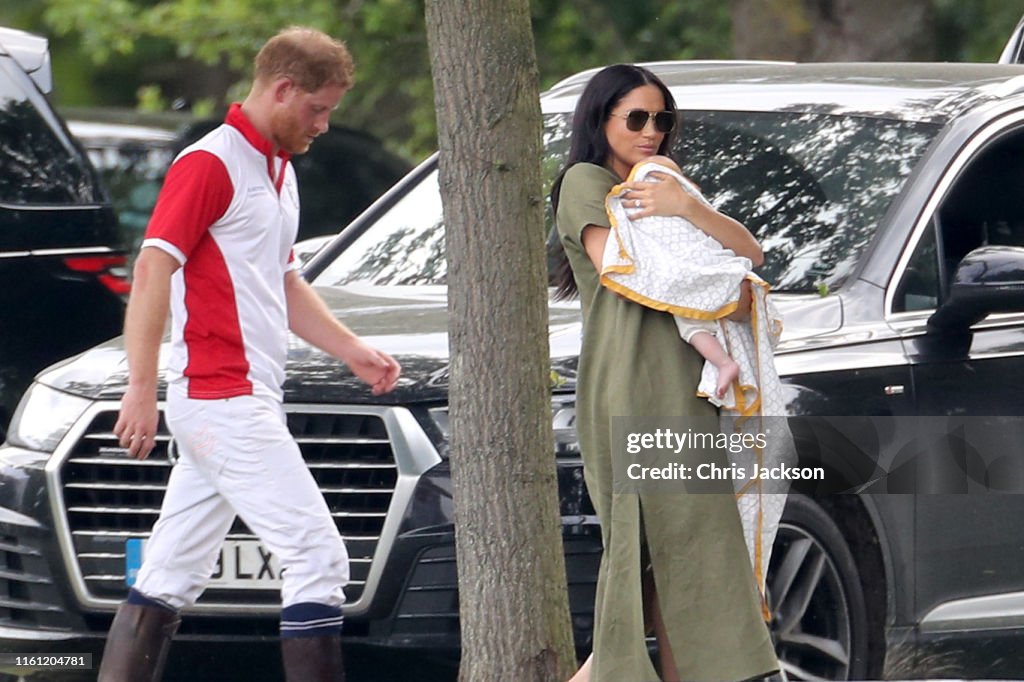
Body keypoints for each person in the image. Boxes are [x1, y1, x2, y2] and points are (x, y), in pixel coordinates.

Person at [97, 27, 401, 682]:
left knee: (169, 575)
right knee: (318, 557)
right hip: (221, 399)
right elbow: (153, 268)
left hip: (236, 398)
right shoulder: (212, 162)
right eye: (317, 109)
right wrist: (139, 387)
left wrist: (352, 349)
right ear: (283, 89)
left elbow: (283, 280)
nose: (322, 125)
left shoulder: (276, 169)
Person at [551, 64, 779, 682]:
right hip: (629, 387)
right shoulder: (586, 182)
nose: (650, 132)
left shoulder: (664, 185)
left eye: (662, 120)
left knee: (689, 565)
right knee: (642, 556)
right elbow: (634, 271)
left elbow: (749, 255)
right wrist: (725, 292)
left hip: (688, 391)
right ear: (601, 120)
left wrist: (686, 206)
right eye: (635, 118)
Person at [602, 153, 749, 404]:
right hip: (686, 285)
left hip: (701, 269)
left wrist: (686, 204)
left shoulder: (687, 208)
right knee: (692, 326)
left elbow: (751, 253)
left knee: (693, 325)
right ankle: (724, 363)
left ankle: (724, 363)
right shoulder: (630, 201)